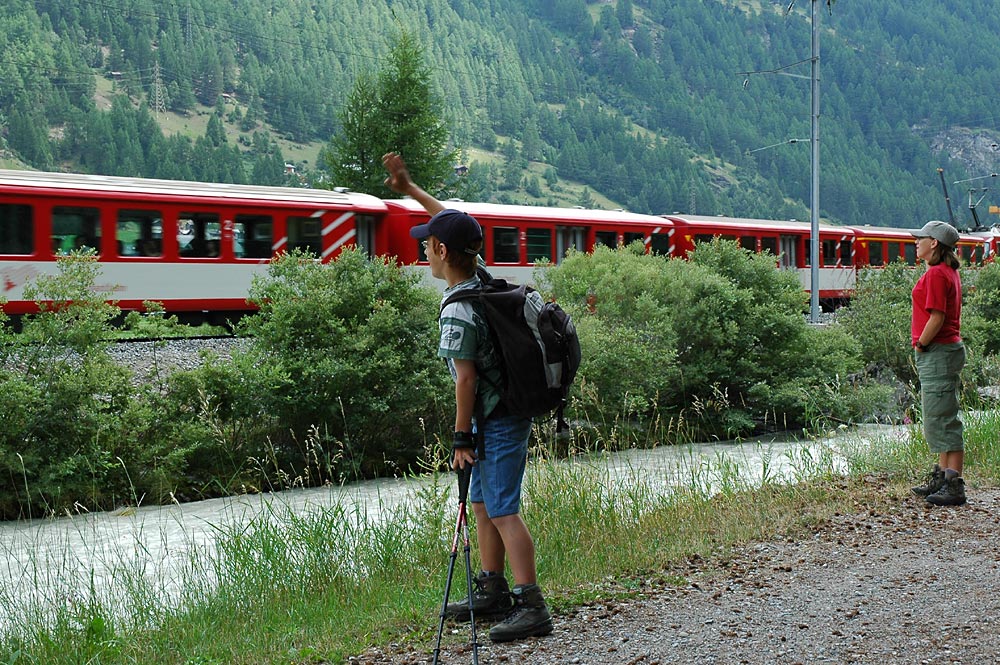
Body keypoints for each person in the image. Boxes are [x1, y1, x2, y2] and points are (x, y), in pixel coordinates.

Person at [382, 151, 553, 642]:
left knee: (501, 508)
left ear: (438, 251)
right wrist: (411, 189)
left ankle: (531, 605)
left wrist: (460, 437)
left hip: (495, 419)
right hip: (498, 415)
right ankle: (492, 590)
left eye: (426, 245)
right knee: (481, 503)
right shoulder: (478, 278)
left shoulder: (458, 309)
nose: (422, 251)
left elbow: (466, 379)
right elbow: (455, 227)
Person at [909, 220, 966, 506]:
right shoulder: (947, 271)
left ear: (934, 243)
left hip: (939, 350)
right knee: (939, 415)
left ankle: (953, 484)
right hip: (946, 350)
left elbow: (937, 317)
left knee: (942, 417)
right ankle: (943, 477)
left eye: (921, 238)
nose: (916, 242)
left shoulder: (936, 275)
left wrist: (921, 343)